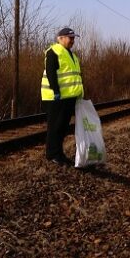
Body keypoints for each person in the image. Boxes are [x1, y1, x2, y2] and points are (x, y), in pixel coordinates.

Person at [41, 27, 84, 165]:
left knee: (62, 127)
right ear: (61, 38)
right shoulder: (54, 52)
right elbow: (51, 73)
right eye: (70, 38)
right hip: (56, 98)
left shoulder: (72, 55)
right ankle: (52, 154)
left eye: (73, 38)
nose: (72, 41)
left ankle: (58, 153)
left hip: (69, 97)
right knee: (55, 127)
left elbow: (75, 77)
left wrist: (79, 95)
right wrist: (56, 91)